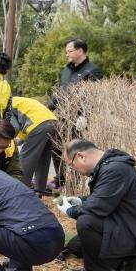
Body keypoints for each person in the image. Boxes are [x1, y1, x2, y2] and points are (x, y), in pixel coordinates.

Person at [58, 139, 136, 271]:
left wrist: (70, 210)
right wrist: (81, 201)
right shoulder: (109, 166)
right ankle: (128, 261)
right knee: (76, 246)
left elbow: (98, 208)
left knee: (86, 222)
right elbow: (105, 198)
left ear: (81, 156)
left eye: (71, 164)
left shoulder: (115, 169)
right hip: (128, 225)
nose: (73, 168)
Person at [48, 38, 104, 190]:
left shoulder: (92, 70)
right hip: (62, 117)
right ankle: (60, 180)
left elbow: (94, 96)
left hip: (78, 119)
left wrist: (85, 115)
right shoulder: (66, 70)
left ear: (80, 51)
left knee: (74, 150)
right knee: (56, 147)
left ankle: (73, 182)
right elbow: (60, 92)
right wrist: (48, 108)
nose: (67, 54)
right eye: (66, 51)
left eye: (70, 51)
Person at [9, 96, 58, 195]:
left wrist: (8, 142)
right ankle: (39, 189)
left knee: (25, 158)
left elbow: (15, 127)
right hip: (53, 122)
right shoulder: (19, 100)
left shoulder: (7, 105)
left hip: (38, 125)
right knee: (43, 158)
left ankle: (19, 190)